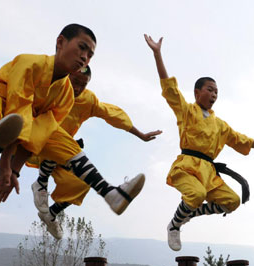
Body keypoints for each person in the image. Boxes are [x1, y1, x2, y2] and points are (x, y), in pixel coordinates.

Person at [0, 25, 144, 214]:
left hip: (11, 137)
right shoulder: (30, 63)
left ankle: (109, 193)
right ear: (60, 42)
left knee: (57, 135)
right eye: (81, 48)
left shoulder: (65, 95)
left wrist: (13, 172)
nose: (84, 57)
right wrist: (4, 164)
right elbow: (18, 110)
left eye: (90, 55)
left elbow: (37, 134)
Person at [144, 35, 254, 251]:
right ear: (197, 92)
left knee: (233, 201)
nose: (214, 94)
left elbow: (240, 139)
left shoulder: (220, 124)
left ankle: (191, 212)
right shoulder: (187, 111)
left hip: (209, 172)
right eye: (210, 89)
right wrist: (157, 54)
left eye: (216, 91)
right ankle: (175, 225)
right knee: (197, 194)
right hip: (188, 166)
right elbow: (169, 89)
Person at [30, 65, 161, 238]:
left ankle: (50, 214)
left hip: (67, 154)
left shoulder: (87, 100)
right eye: (75, 82)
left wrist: (140, 134)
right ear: (67, 76)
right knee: (57, 136)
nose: (77, 88)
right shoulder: (53, 89)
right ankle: (41, 181)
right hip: (36, 143)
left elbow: (113, 114)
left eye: (82, 85)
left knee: (82, 183)